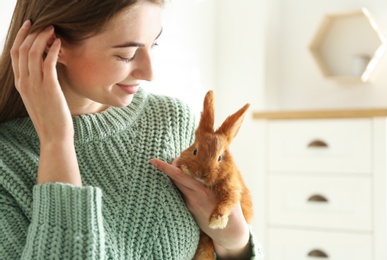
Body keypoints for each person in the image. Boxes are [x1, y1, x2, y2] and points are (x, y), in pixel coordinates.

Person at [0, 0, 263, 259]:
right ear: (51, 45)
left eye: (154, 44)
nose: (150, 73)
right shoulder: (6, 162)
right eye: (126, 54)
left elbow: (222, 238)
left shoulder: (172, 120)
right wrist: (57, 143)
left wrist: (235, 242)